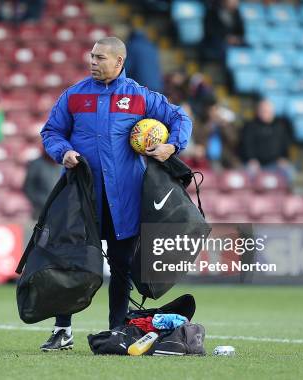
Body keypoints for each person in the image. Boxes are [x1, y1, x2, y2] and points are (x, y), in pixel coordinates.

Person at [39, 37, 191, 351]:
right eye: (91, 56)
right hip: (83, 197)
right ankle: (62, 330)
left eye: (100, 57)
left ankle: (117, 331)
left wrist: (172, 146)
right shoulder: (75, 95)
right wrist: (63, 151)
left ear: (119, 61)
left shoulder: (139, 96)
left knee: (121, 267)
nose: (92, 61)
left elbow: (180, 117)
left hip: (126, 199)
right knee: (72, 263)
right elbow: (51, 131)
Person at [240, 99, 293, 183]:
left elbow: (284, 145)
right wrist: (251, 159)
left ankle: (286, 194)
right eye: (263, 111)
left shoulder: (280, 126)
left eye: (268, 111)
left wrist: (283, 158)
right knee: (249, 173)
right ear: (258, 112)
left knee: (288, 171)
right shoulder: (250, 126)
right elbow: (247, 145)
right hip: (256, 163)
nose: (266, 113)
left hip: (274, 162)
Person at [23, 151, 62, 219]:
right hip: (41, 208)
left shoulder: (64, 163)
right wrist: (42, 202)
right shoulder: (36, 164)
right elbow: (28, 188)